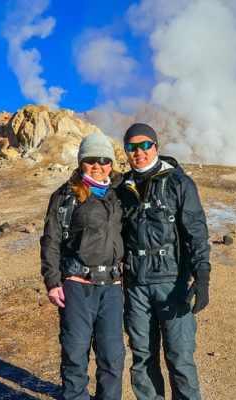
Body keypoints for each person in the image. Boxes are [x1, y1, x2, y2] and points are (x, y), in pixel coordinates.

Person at [116, 123, 211, 400]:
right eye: (132, 147)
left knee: (179, 357)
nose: (139, 152)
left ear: (155, 146)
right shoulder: (122, 188)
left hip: (173, 283)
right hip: (135, 286)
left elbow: (196, 231)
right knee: (142, 358)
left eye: (145, 145)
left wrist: (202, 277)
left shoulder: (179, 183)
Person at [40, 132, 126, 400]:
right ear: (81, 162)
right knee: (75, 354)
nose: (98, 165)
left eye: (104, 160)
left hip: (112, 288)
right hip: (78, 285)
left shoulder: (119, 195)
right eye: (91, 160)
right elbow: (51, 241)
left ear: (111, 164)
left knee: (112, 356)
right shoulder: (65, 196)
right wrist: (53, 282)